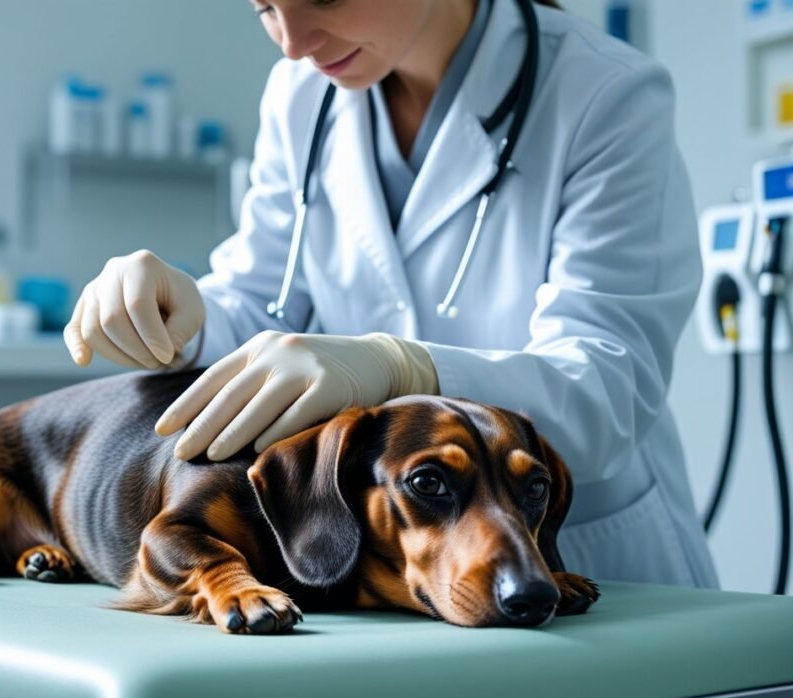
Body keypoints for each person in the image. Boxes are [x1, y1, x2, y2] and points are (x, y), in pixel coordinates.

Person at [63, 0, 718, 589]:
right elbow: (268, 304)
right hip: (400, 570)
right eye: (264, 8)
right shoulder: (300, 94)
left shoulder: (605, 93)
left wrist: (406, 368)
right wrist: (189, 314)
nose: (292, 43)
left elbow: (603, 387)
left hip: (583, 561)